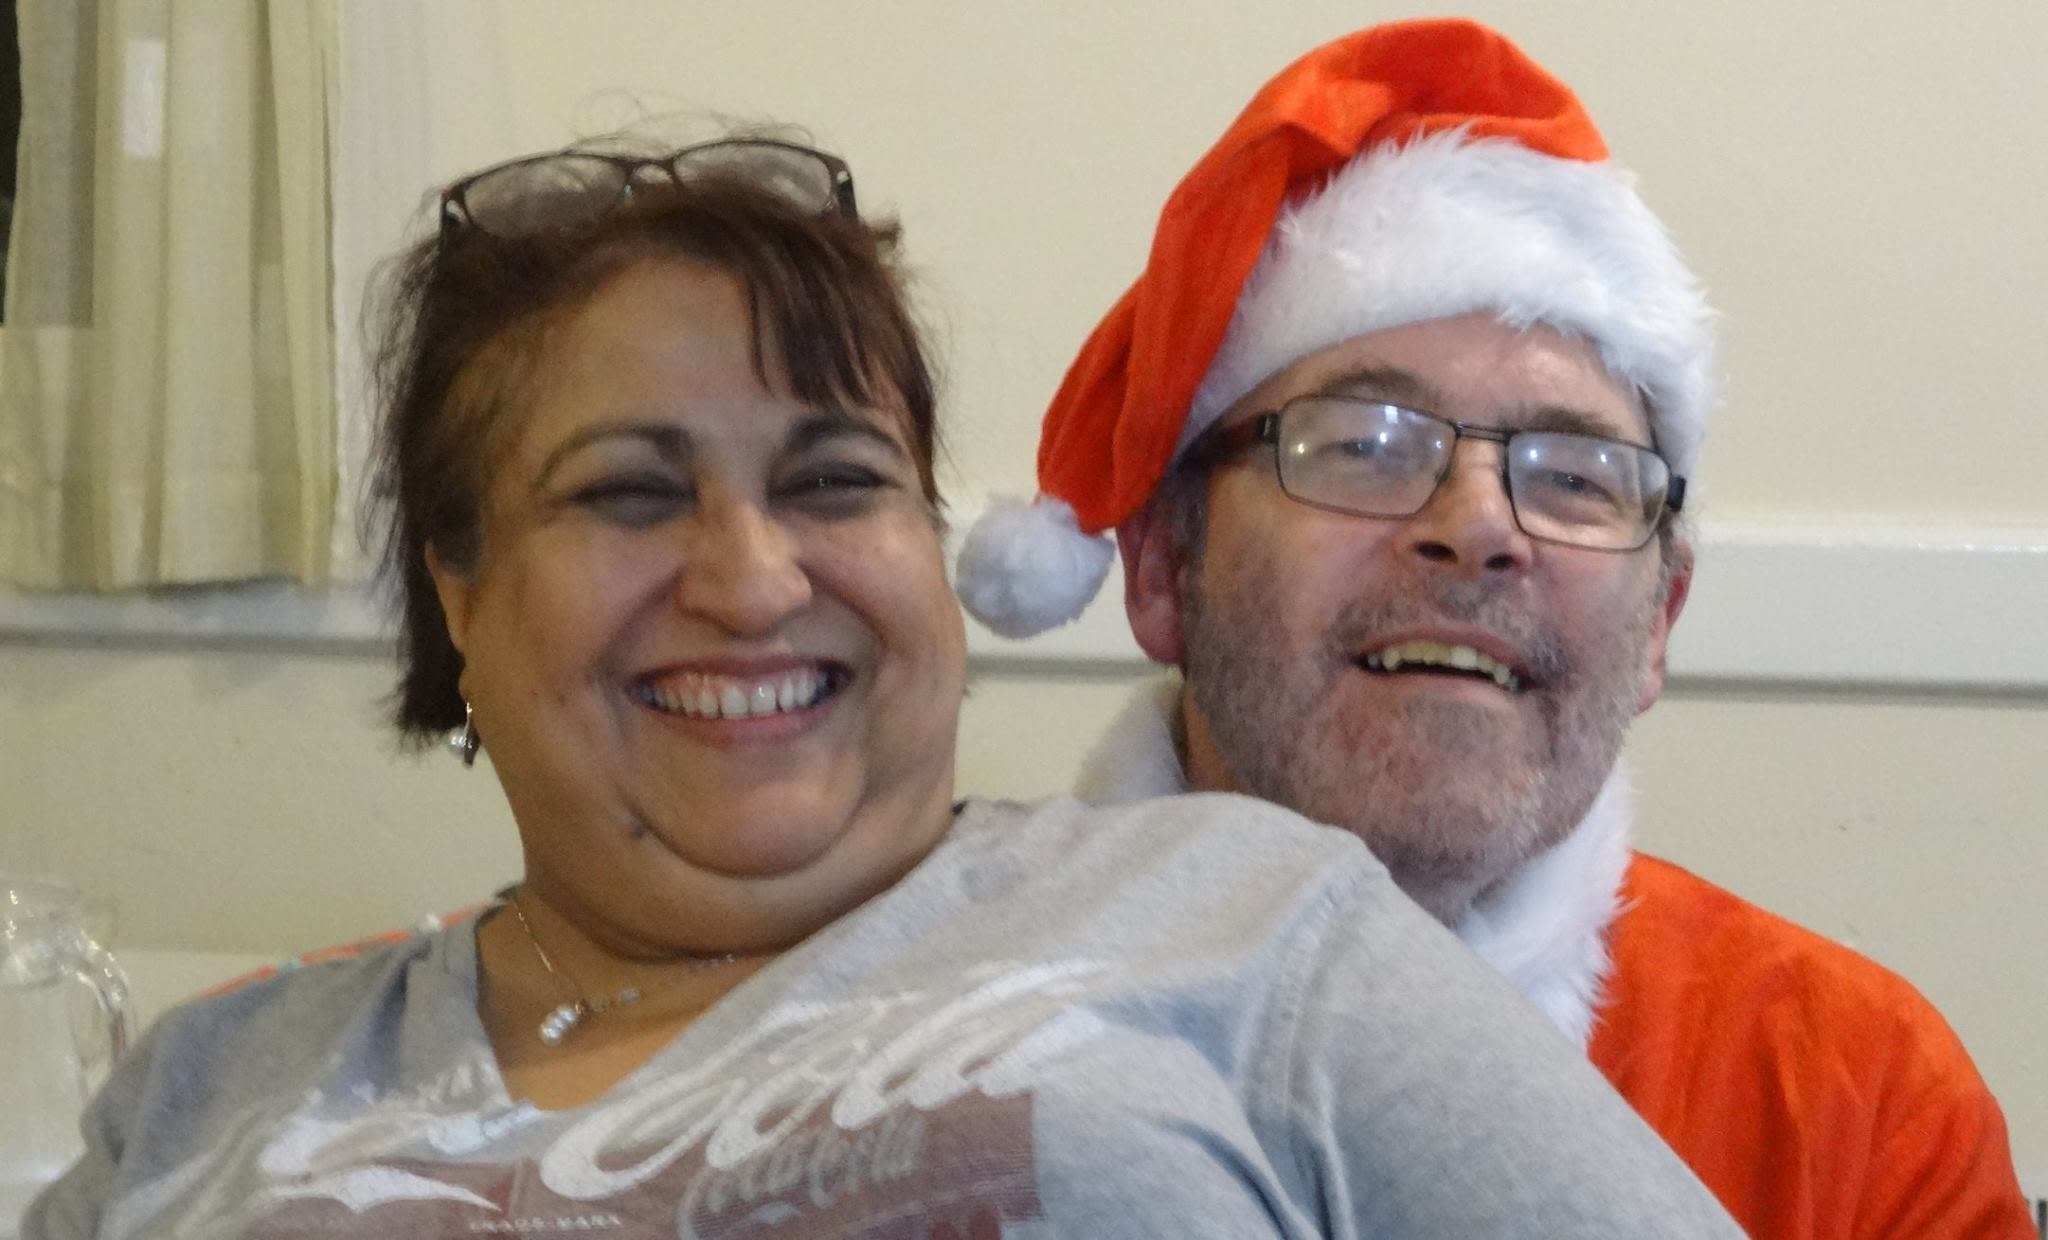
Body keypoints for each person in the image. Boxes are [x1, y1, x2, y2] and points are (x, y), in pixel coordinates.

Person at [22, 136, 1743, 1239]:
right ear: (457, 594)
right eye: (629, 491)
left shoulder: (1250, 926)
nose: (753, 578)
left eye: (836, 481)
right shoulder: (209, 1085)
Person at [956, 19, 2034, 1240]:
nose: (1477, 527)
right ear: (1160, 569)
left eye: (1574, 474)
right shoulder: (914, 1051)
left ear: (1661, 621)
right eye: (1362, 445)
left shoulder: (1855, 1100)